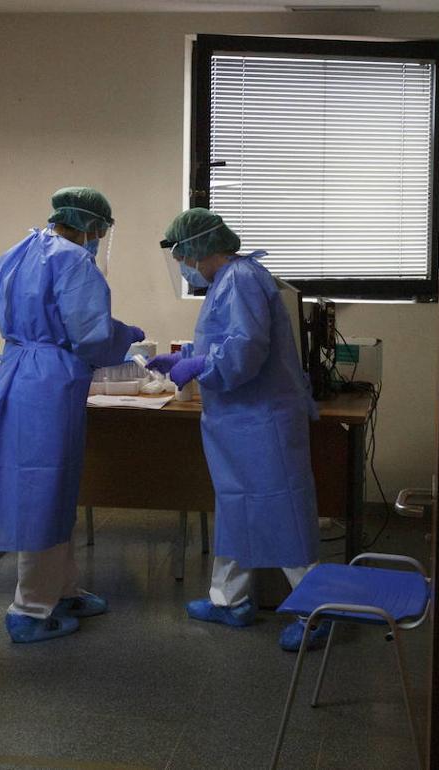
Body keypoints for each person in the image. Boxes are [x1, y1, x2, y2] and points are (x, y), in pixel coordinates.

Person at [147, 208, 331, 651]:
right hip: (240, 421)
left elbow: (245, 351)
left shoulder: (241, 278)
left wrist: (200, 365)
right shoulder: (226, 282)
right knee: (236, 508)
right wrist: (187, 356)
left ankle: (318, 612)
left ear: (198, 248)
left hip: (262, 420)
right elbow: (223, 340)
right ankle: (229, 600)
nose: (183, 263)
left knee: (279, 513)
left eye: (182, 254)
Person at [0, 186, 145, 643]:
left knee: (54, 487)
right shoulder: (75, 261)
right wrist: (125, 336)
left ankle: (62, 588)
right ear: (92, 225)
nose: (100, 237)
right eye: (102, 229)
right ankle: (29, 610)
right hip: (49, 380)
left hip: (22, 370)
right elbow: (91, 336)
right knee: (43, 490)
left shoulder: (18, 252)